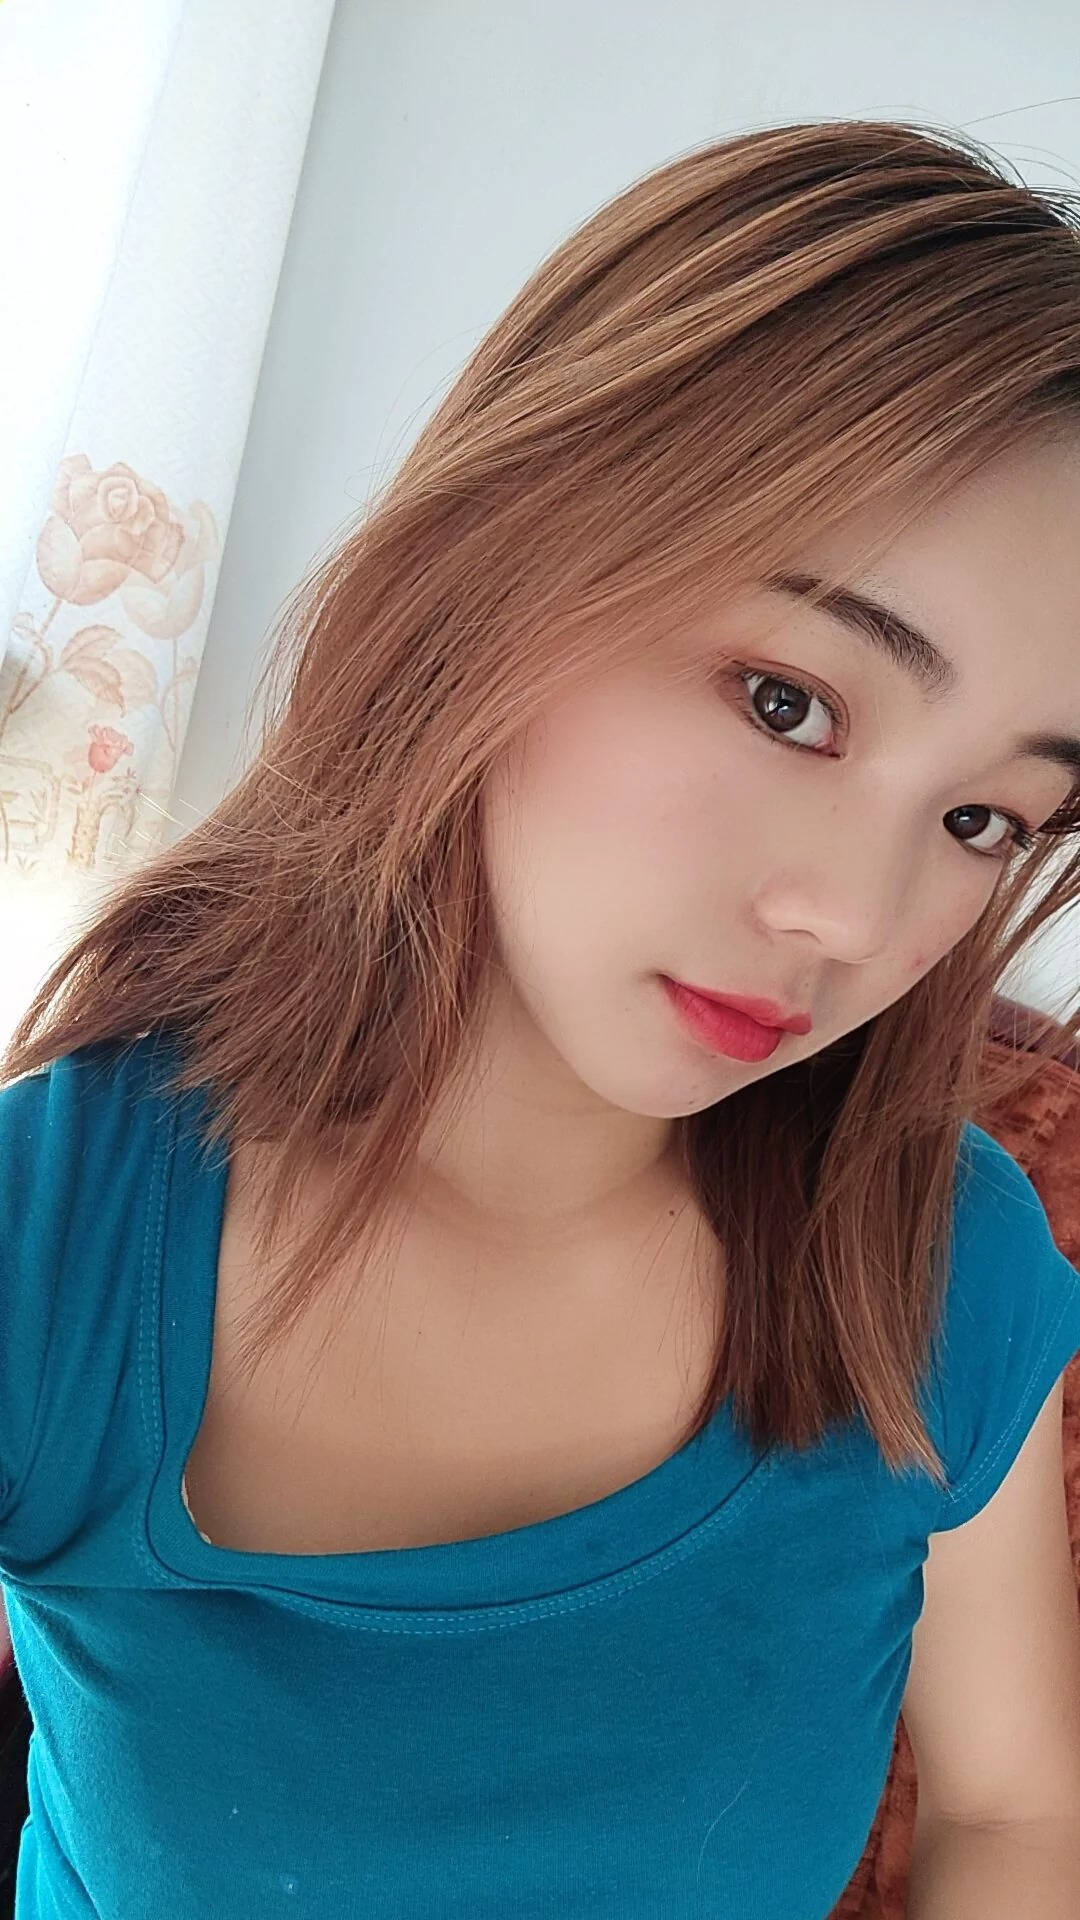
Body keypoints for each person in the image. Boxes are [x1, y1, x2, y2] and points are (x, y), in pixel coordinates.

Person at [2, 117, 1080, 1919]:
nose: (855, 918)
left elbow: (1015, 1814)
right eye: (790, 702)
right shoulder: (62, 1241)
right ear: (502, 565)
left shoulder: (935, 1271)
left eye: (985, 820)